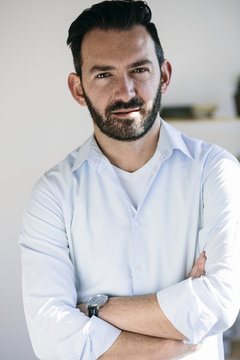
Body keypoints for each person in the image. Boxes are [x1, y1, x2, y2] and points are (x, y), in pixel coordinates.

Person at [19, 1, 240, 359]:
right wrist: (171, 342)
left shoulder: (214, 170)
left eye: (139, 69)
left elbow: (218, 303)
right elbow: (51, 339)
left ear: (164, 75)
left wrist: (94, 308)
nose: (125, 92)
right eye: (104, 74)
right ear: (78, 90)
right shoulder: (53, 194)